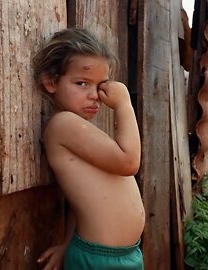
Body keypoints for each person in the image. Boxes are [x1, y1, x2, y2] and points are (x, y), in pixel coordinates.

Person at [32, 28, 145, 270]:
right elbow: (129, 162)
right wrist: (124, 104)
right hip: (100, 261)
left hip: (123, 256)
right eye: (82, 83)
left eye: (100, 86)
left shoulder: (80, 129)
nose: (94, 95)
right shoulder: (63, 124)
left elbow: (82, 200)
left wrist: (67, 243)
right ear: (51, 82)